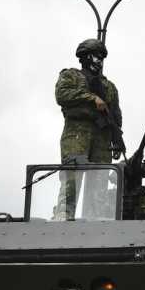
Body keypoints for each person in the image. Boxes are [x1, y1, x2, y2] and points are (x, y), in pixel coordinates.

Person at [53, 39, 123, 220]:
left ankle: (95, 220)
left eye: (101, 57)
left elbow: (115, 116)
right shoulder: (71, 76)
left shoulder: (109, 87)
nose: (99, 61)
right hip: (77, 135)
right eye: (95, 56)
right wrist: (91, 98)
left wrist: (117, 140)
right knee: (72, 181)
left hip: (102, 139)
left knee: (99, 183)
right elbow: (62, 95)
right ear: (84, 57)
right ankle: (64, 217)